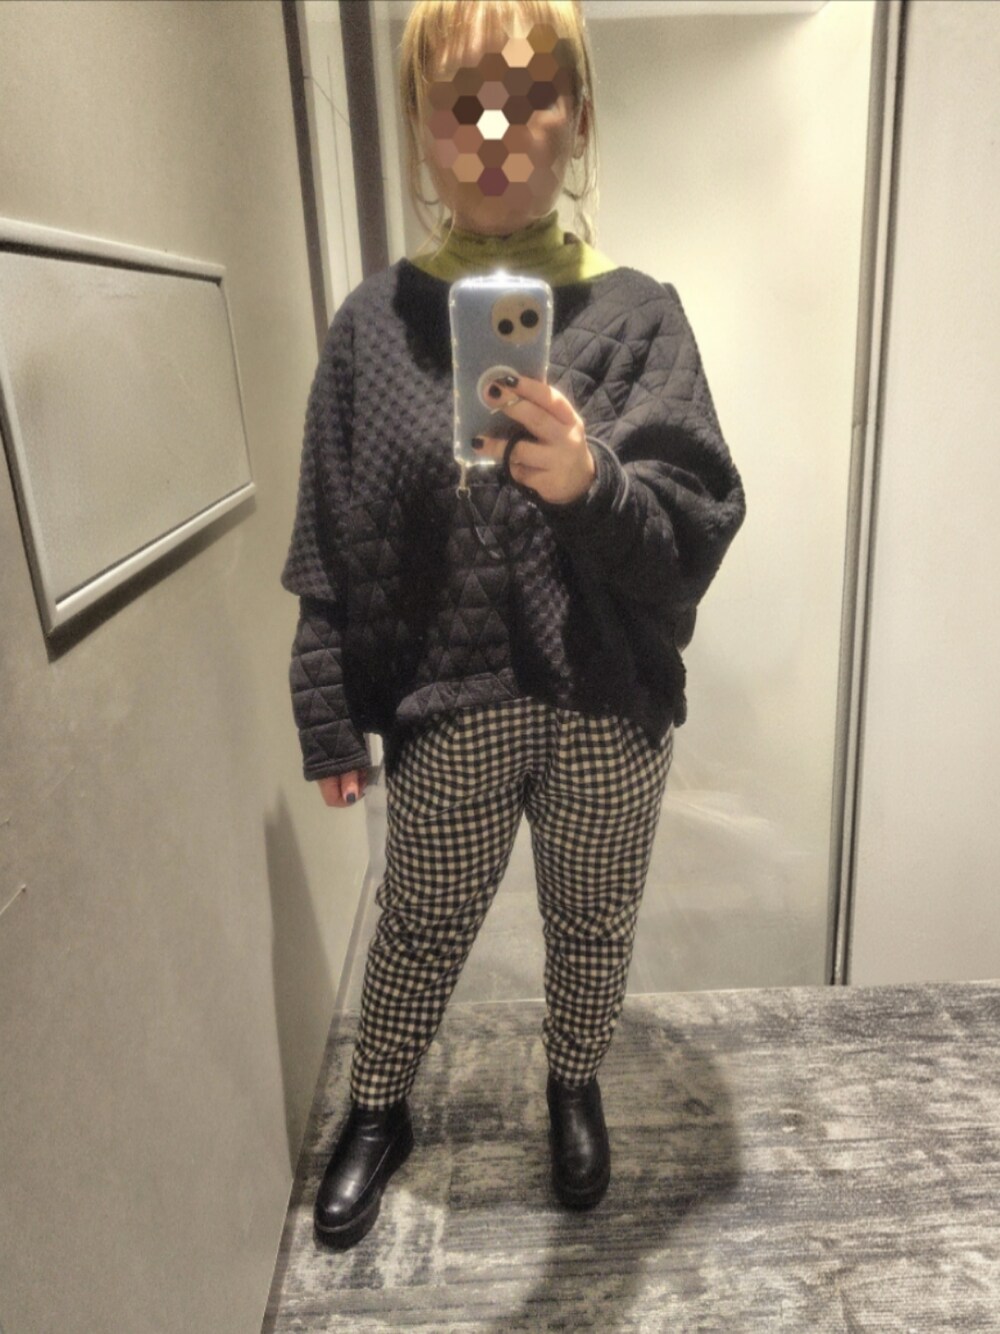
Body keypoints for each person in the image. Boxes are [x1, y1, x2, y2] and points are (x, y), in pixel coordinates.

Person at [281, 0, 745, 1251]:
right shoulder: (371, 329)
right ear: (419, 125)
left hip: (606, 700)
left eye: (529, 96)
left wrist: (593, 484)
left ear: (578, 120)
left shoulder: (640, 316)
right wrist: (327, 711)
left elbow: (692, 534)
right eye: (460, 102)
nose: (493, 132)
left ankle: (571, 1081)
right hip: (451, 704)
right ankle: (378, 1104)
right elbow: (328, 541)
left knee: (591, 918)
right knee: (420, 919)